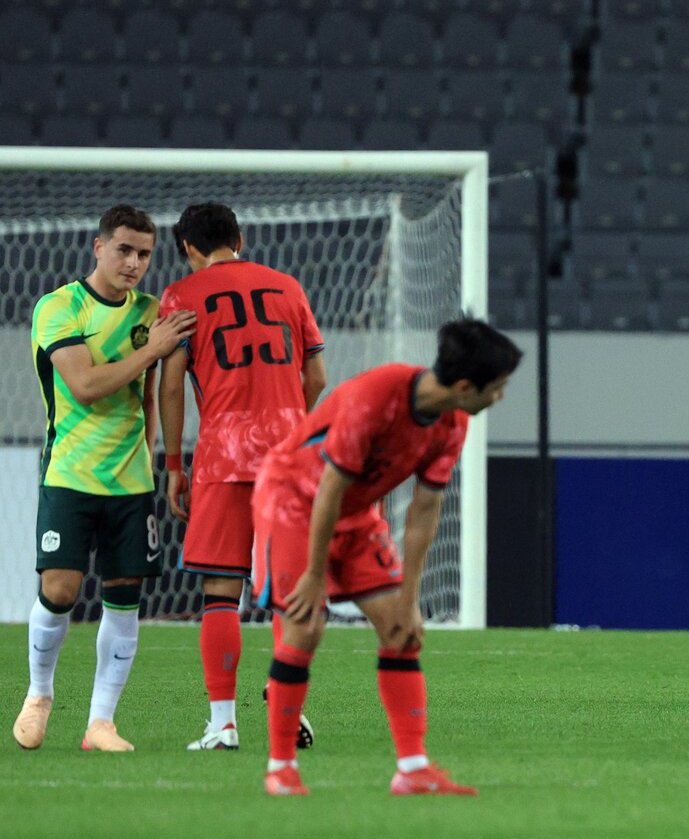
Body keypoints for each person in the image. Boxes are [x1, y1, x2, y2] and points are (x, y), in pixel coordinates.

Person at [254, 317, 522, 796]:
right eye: (497, 388)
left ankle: (413, 769)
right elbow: (328, 488)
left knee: (402, 633)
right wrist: (315, 575)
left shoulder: (452, 422)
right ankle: (281, 769)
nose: (500, 398)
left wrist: (410, 597)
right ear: (465, 386)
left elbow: (425, 509)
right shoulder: (374, 397)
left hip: (355, 513)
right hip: (294, 500)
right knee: (304, 626)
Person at [13, 205, 196, 752]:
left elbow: (147, 396)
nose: (134, 262)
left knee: (124, 596)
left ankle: (101, 722)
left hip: (130, 484)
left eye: (144, 253)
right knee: (60, 590)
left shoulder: (151, 311)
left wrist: (155, 462)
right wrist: (154, 349)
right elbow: (86, 386)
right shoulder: (59, 308)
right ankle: (40, 694)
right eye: (124, 250)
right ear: (98, 248)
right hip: (69, 472)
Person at [158, 202, 328, 751]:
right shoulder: (287, 287)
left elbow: (170, 387)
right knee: (286, 593)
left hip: (223, 455)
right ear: (240, 237)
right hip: (288, 456)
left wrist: (175, 466)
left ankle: (223, 724)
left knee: (220, 593)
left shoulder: (182, 297)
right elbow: (317, 375)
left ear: (187, 248)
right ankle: (287, 704)